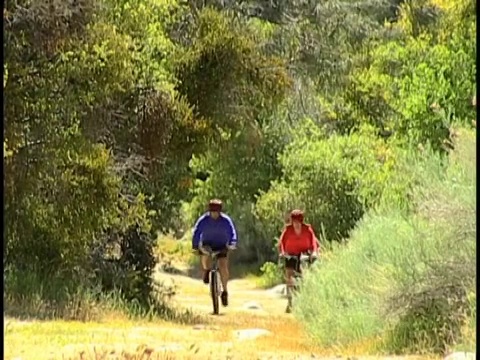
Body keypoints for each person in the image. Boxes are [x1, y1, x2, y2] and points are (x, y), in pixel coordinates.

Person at [192, 199, 238, 307]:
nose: (214, 214)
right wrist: (195, 245)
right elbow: (197, 232)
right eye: (212, 211)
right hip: (207, 244)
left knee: (223, 265)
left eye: (216, 212)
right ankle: (207, 271)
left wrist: (232, 243)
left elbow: (232, 232)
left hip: (221, 245)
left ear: (220, 211)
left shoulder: (226, 220)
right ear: (209, 211)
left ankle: (225, 291)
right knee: (205, 256)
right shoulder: (203, 220)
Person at [278, 209, 319, 312]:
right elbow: (281, 242)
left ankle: (306, 301)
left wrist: (314, 252)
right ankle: (290, 302)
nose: (296, 224)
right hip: (291, 254)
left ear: (301, 221)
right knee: (290, 276)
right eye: (294, 222)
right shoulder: (288, 229)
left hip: (304, 253)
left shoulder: (307, 229)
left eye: (298, 222)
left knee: (305, 276)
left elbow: (313, 242)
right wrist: (282, 252)